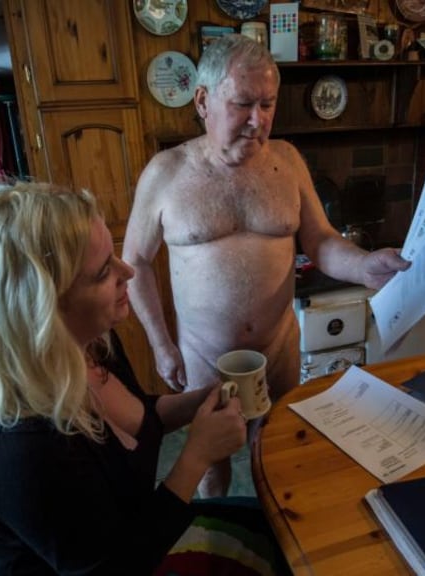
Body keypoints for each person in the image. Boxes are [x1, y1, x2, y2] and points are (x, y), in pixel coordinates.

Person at [0, 179, 286, 574]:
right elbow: (115, 568)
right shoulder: (19, 447)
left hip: (135, 534)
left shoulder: (90, 344)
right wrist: (197, 456)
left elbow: (141, 415)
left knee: (283, 523)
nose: (127, 271)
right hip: (121, 561)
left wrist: (204, 399)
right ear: (43, 310)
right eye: (101, 273)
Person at [123, 35, 410, 497]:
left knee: (274, 450)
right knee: (211, 466)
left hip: (279, 349)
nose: (258, 121)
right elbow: (134, 260)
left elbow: (319, 240)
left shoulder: (289, 161)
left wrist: (364, 266)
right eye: (242, 104)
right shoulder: (165, 173)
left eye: (268, 104)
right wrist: (160, 344)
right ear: (203, 101)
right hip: (204, 356)